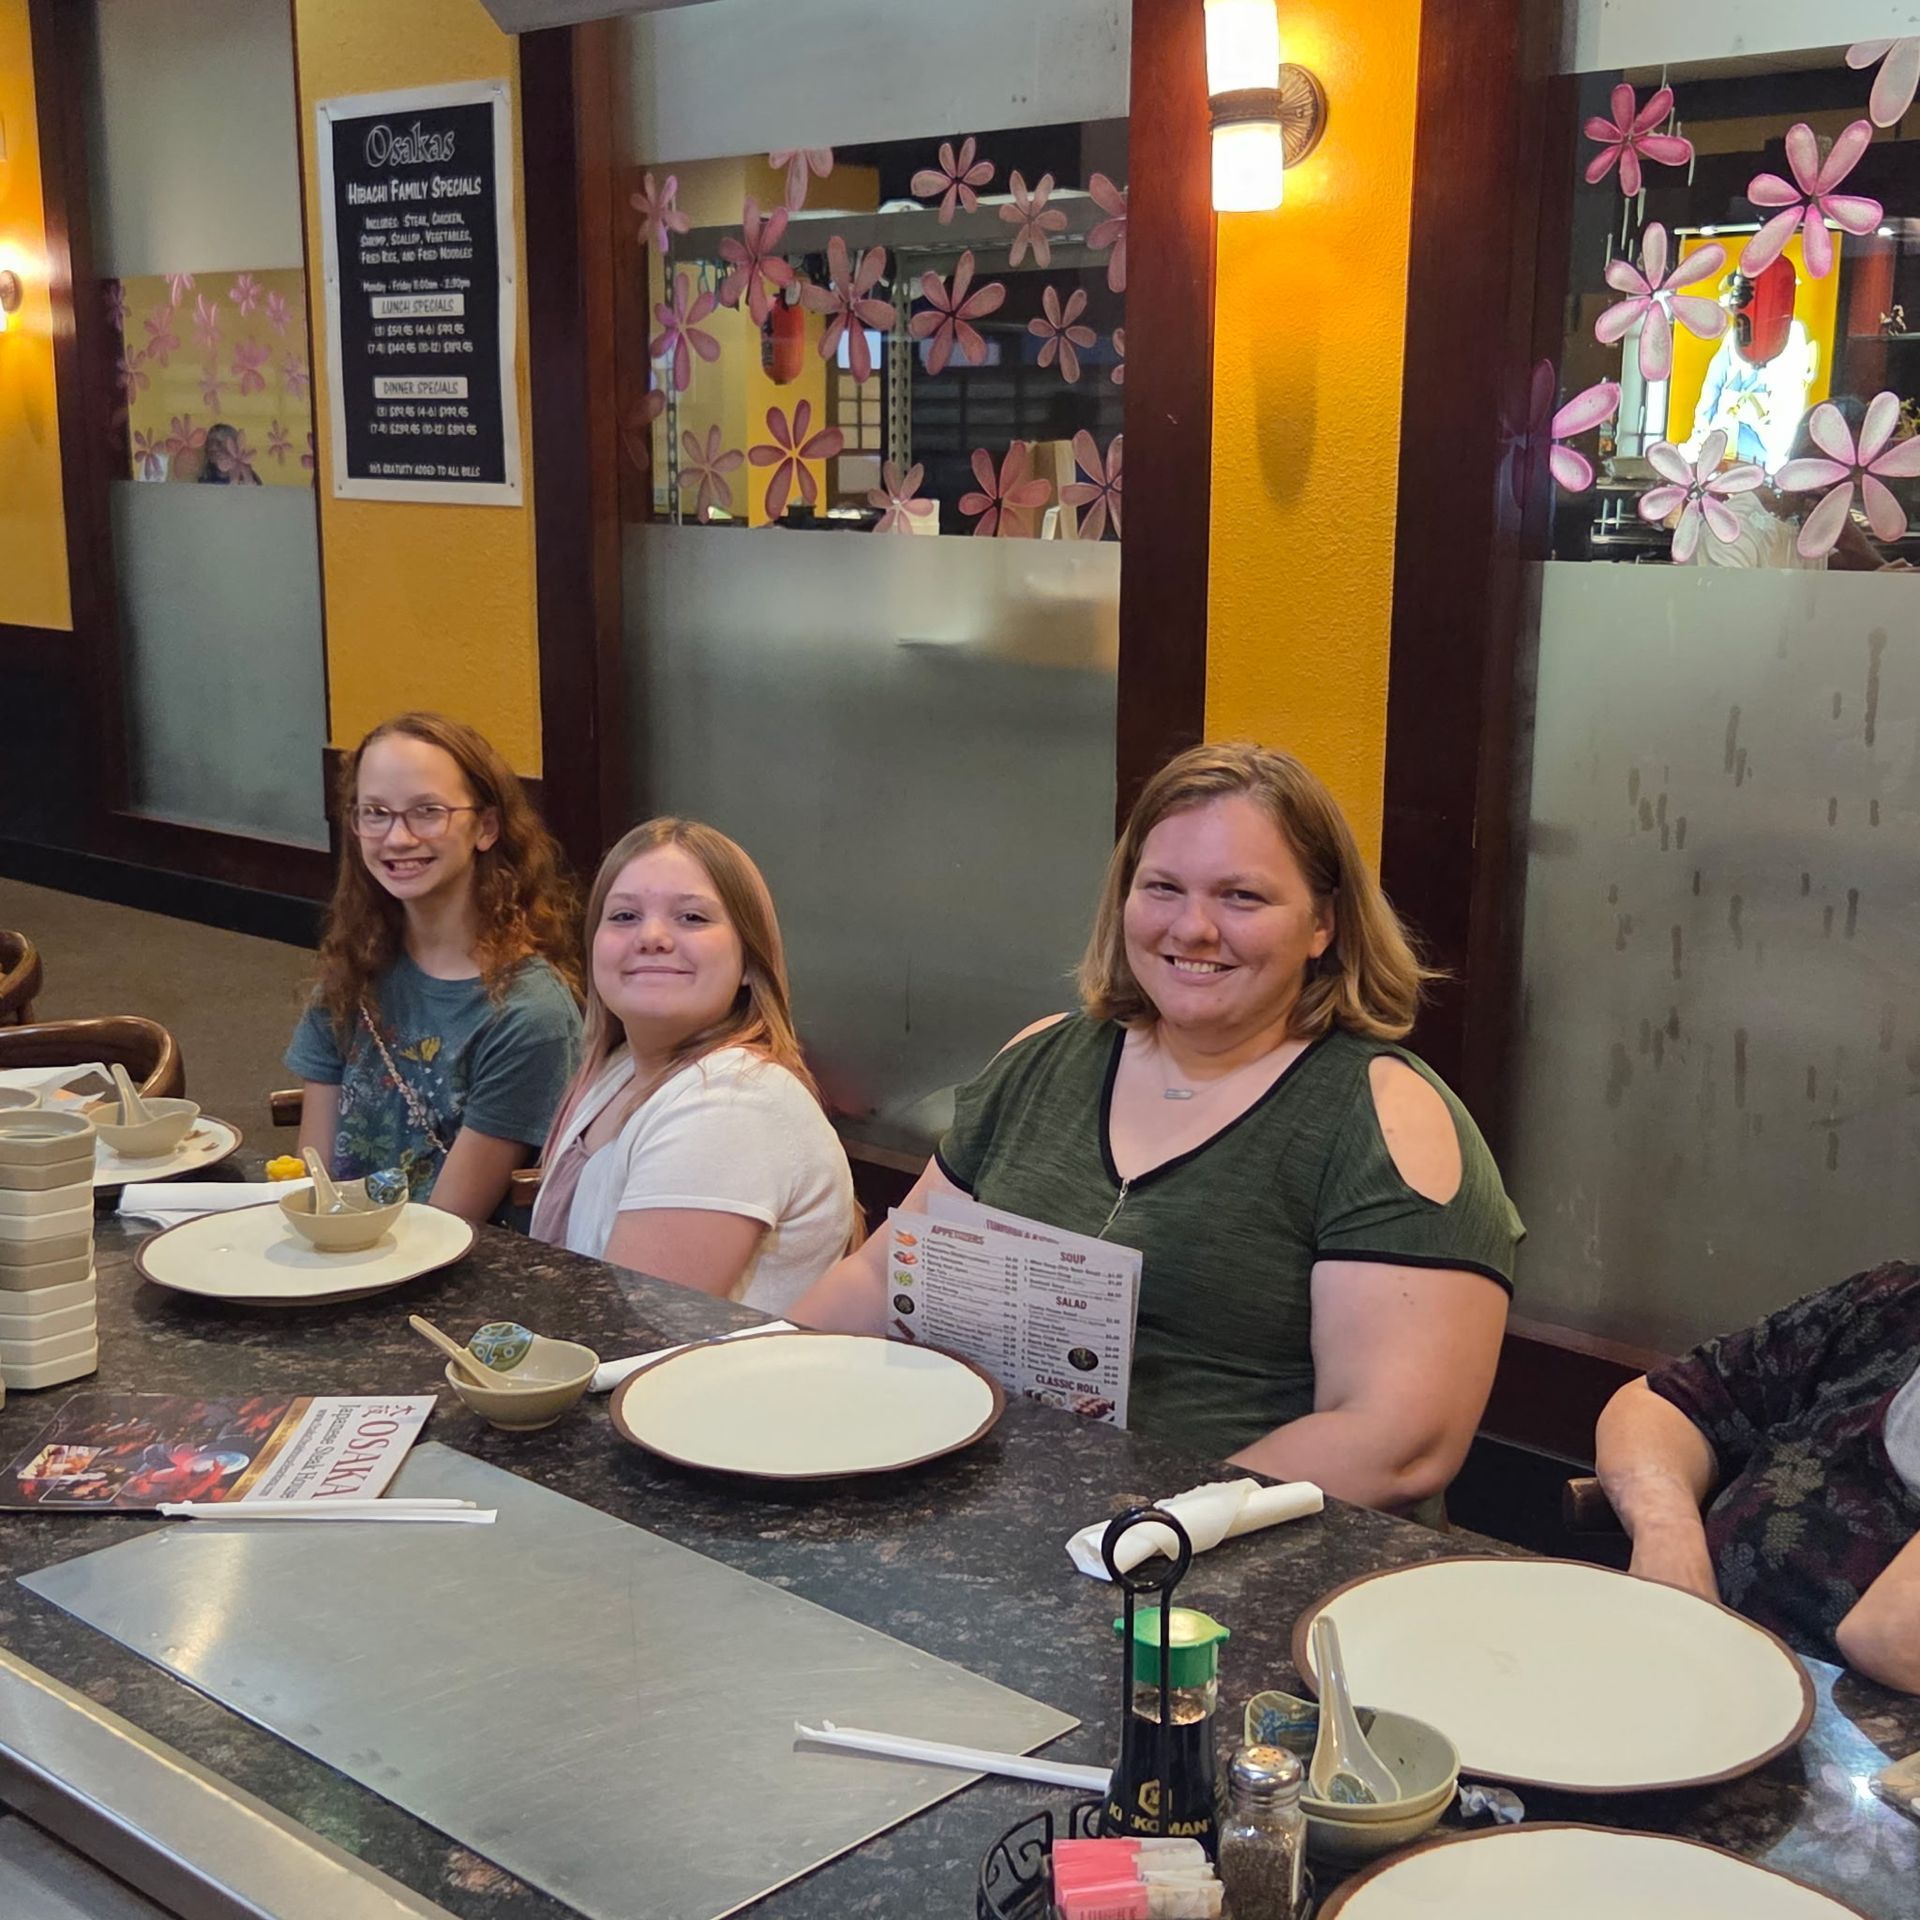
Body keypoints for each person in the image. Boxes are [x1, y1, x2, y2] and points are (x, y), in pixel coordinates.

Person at [792, 742, 1522, 1514]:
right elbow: (882, 1281)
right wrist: (746, 1377)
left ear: (1322, 925)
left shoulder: (1386, 1117)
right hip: (982, 1511)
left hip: (1214, 1575)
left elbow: (1397, 1444)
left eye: (1241, 897)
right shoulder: (1041, 1058)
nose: (1194, 928)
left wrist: (1145, 1533)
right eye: (1163, 888)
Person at [528, 819, 855, 1313]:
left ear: (749, 961)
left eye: (692, 918)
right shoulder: (619, 1067)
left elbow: (628, 1332)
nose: (652, 937)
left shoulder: (731, 1103)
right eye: (623, 916)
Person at [286, 713, 583, 1222]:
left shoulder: (530, 1015)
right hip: (339, 1246)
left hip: (445, 1274)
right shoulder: (356, 966)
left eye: (427, 812)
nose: (397, 838)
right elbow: (317, 1178)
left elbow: (447, 1225)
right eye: (375, 812)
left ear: (485, 827)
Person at [1594, 1262, 1920, 1695]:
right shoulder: (1890, 1306)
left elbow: (1887, 1635)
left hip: (1857, 1749)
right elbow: (1665, 1402)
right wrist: (1666, 1532)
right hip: (1686, 1683)